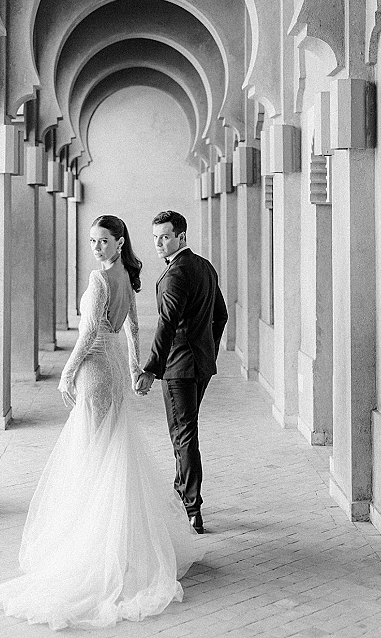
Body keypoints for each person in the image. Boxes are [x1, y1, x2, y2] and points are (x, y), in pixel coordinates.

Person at [0, 214, 203, 630]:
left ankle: (97, 549)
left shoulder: (102, 279)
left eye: (104, 241)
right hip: (112, 371)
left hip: (93, 370)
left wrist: (68, 372)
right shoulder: (126, 276)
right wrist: (132, 366)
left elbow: (88, 335)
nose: (97, 248)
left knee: (92, 452)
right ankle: (118, 543)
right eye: (92, 242)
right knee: (110, 450)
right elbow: (133, 327)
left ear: (120, 243)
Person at [135, 210, 228, 535]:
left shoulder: (176, 275)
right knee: (185, 431)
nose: (159, 243)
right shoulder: (204, 266)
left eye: (165, 237)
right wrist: (207, 351)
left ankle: (191, 507)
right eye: (156, 237)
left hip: (179, 368)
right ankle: (182, 495)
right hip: (200, 365)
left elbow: (167, 325)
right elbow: (222, 316)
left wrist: (151, 368)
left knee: (183, 435)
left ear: (181, 237)